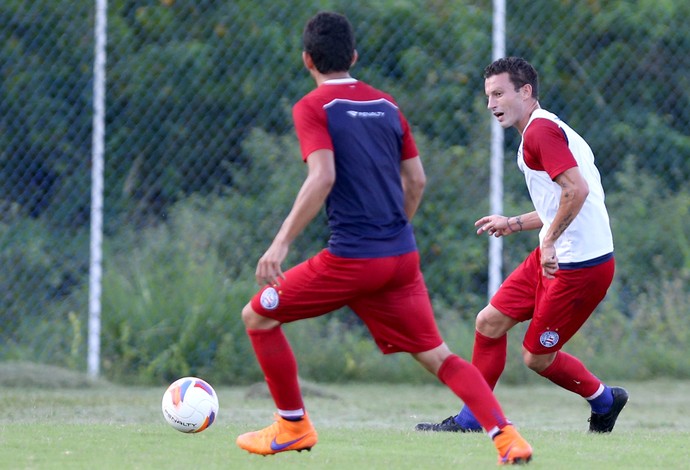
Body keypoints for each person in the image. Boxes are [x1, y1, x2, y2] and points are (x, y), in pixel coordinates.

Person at [235, 12, 532, 465]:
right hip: (399, 258)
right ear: (354, 56)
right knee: (439, 357)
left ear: (307, 60)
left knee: (257, 316)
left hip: (350, 260)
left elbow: (322, 177)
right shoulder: (387, 106)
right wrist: (395, 232)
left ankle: (292, 425)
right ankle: (507, 437)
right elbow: (416, 181)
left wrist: (279, 244)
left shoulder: (313, 107)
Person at [416, 57, 628, 435]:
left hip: (580, 266)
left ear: (526, 92)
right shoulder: (542, 129)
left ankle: (605, 400)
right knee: (489, 322)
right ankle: (472, 418)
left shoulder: (539, 133)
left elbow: (575, 191)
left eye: (499, 93)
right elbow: (561, 200)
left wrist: (547, 241)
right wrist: (513, 223)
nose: (491, 103)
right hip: (557, 256)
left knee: (537, 357)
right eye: (487, 96)